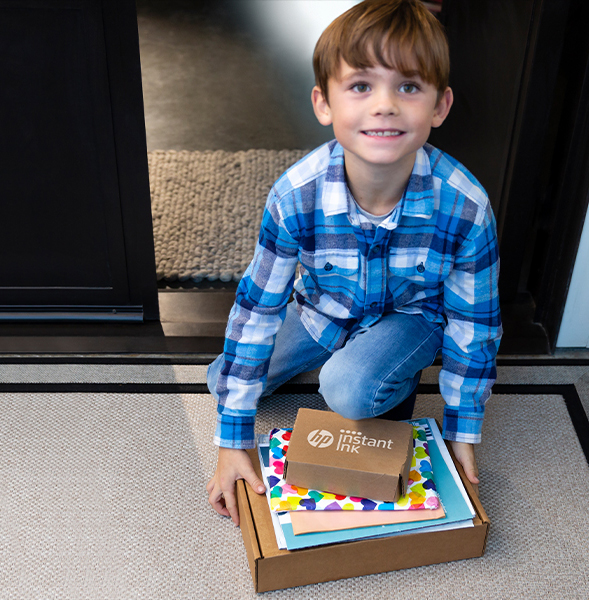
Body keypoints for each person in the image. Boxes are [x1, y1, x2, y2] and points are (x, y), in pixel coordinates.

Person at [206, 0, 502, 526]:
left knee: (351, 390)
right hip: (324, 307)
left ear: (440, 106)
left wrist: (461, 432)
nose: (384, 105)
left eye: (408, 87)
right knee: (222, 380)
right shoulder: (294, 195)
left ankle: (381, 368)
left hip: (413, 317)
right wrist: (232, 440)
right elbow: (258, 309)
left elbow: (474, 325)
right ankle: (347, 354)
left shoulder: (466, 207)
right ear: (324, 103)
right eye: (361, 86)